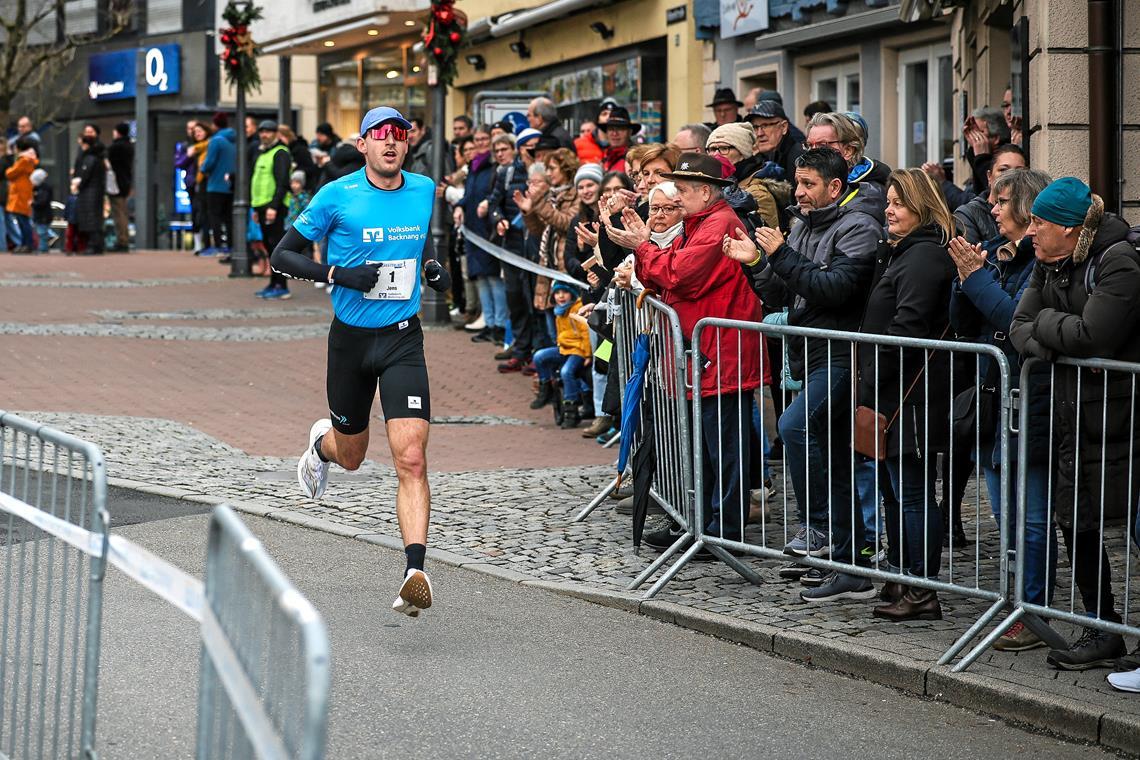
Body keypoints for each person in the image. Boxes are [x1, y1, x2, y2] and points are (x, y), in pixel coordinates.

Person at [270, 106, 452, 617]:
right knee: (352, 455)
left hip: (402, 341)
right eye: (380, 136)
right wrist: (338, 274)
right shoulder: (336, 195)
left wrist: (433, 269)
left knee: (411, 457)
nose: (390, 143)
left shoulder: (422, 190)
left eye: (399, 135)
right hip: (350, 342)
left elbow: (421, 242)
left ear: (407, 144)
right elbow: (282, 256)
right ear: (363, 144)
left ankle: (414, 571)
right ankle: (321, 446)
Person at [724, 147, 883, 599]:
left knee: (795, 427)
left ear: (835, 187)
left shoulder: (858, 227)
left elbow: (834, 290)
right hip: (809, 352)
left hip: (841, 353)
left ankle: (819, 528)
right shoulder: (799, 225)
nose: (801, 193)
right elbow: (784, 293)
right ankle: (850, 562)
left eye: (809, 184)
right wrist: (755, 262)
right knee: (834, 457)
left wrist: (780, 255)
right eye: (798, 184)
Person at [1009, 177, 1140, 670]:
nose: (1031, 232)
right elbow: (1019, 327)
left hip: (1124, 417)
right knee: (1075, 521)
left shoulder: (1118, 261)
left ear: (1069, 228)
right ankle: (1101, 625)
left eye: (1039, 223)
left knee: (1135, 523)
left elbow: (1094, 336)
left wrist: (1050, 334)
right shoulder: (1050, 261)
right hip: (1075, 414)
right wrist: (1054, 337)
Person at [608, 153, 767, 553]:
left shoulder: (718, 225)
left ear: (705, 191)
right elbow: (669, 272)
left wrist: (644, 247)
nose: (676, 198)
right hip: (706, 349)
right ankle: (698, 523)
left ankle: (722, 531)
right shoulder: (698, 223)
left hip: (721, 351)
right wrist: (645, 252)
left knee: (722, 446)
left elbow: (680, 275)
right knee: (701, 444)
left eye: (680, 190)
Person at [948, 167, 1055, 651]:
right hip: (995, 402)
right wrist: (965, 276)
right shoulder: (998, 254)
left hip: (1029, 403)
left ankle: (1033, 609)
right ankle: (1012, 603)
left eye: (1002, 201)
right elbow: (962, 320)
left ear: (1027, 208)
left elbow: (1014, 321)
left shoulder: (1043, 261)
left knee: (1030, 518)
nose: (992, 209)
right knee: (1003, 515)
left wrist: (975, 277)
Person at [858, 168, 956, 621]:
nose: (889, 210)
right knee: (896, 492)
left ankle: (922, 589)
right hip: (892, 390)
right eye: (888, 202)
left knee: (913, 493)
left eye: (898, 203)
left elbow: (908, 327)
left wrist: (871, 382)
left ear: (921, 207)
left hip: (910, 395)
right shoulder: (900, 252)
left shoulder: (924, 258)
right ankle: (903, 576)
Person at [531, 282, 592, 427]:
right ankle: (545, 390)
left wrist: (588, 355)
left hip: (578, 350)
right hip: (564, 348)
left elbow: (585, 333)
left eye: (565, 292)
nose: (561, 296)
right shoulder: (559, 311)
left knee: (566, 372)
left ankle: (571, 407)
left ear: (572, 294)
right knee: (539, 356)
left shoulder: (577, 308)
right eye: (558, 293)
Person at [705, 122, 781, 228]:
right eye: (712, 149)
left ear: (743, 153)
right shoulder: (711, 185)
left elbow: (760, 238)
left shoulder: (758, 194)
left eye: (724, 148)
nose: (716, 155)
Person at [251, 120, 292, 299]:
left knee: (276, 247)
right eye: (262, 131)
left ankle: (282, 286)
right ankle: (274, 283)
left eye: (268, 131)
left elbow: (282, 182)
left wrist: (273, 206)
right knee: (269, 246)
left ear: (275, 133)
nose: (264, 134)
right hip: (262, 206)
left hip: (273, 206)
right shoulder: (263, 153)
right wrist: (256, 208)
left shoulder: (280, 153)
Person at [201, 113, 237, 258]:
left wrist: (202, 169)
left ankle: (217, 246)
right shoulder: (234, 140)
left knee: (214, 216)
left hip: (215, 185)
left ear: (215, 124)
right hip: (230, 184)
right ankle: (230, 245)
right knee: (228, 217)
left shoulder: (216, 140)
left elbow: (209, 162)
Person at [745, 100, 803, 185]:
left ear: (783, 127)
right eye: (755, 127)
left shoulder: (798, 157)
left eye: (765, 125)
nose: (759, 133)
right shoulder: (770, 154)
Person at [74, 133, 106, 255]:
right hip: (96, 190)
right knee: (95, 218)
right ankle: (97, 245)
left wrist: (79, 185)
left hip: (89, 191)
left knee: (90, 218)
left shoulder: (89, 158)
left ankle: (93, 245)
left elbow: (85, 175)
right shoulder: (98, 157)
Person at [5, 138, 37, 253]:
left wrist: (9, 169)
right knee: (23, 220)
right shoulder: (28, 159)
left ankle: (27, 244)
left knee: (23, 221)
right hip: (23, 192)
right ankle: (25, 244)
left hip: (20, 194)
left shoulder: (23, 160)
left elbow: (10, 173)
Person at [106, 122, 133, 252]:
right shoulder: (129, 146)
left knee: (118, 213)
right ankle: (124, 239)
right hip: (125, 182)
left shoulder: (116, 147)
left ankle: (122, 241)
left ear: (117, 132)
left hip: (116, 183)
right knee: (122, 212)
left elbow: (108, 162)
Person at [278, 124, 319, 192]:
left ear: (287, 136)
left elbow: (311, 169)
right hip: (291, 189)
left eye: (280, 137)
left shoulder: (300, 150)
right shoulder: (283, 150)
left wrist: (296, 169)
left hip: (303, 190)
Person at [601, 107, 638, 173]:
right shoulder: (603, 155)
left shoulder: (636, 158)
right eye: (611, 129)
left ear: (630, 132)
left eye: (620, 129)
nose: (614, 133)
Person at [30, 168, 51, 252]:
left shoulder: (43, 189)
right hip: (40, 215)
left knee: (42, 233)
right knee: (40, 232)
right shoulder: (38, 188)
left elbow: (42, 201)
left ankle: (43, 249)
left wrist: (32, 203)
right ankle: (42, 248)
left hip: (43, 215)